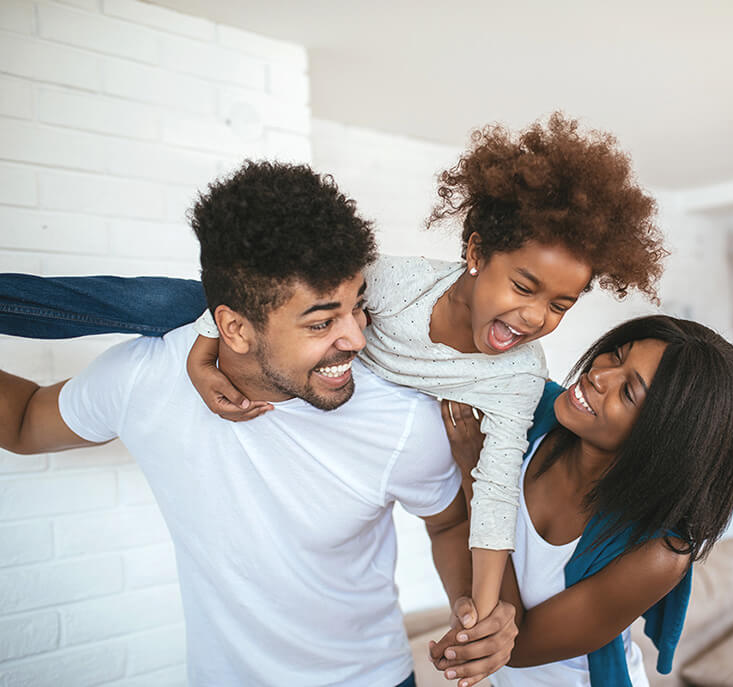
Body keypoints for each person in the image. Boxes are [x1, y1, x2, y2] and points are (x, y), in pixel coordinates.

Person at [0, 113, 666, 627]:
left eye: (559, 305)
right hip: (245, 335)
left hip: (357, 404)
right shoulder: (393, 284)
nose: (534, 316)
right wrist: (203, 348)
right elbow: (291, 298)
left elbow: (482, 505)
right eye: (524, 286)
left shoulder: (507, 379)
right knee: (164, 299)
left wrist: (482, 610)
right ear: (475, 252)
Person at [0, 161, 518, 687]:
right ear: (234, 329)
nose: (358, 339)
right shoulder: (146, 375)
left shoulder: (401, 416)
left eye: (357, 307)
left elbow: (447, 522)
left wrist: (471, 609)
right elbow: (22, 421)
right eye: (321, 322)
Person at [432, 315, 733, 686]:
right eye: (617, 355)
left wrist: (481, 473)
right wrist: (466, 605)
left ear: (664, 443)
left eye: (627, 392)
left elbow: (518, 649)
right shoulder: (526, 410)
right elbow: (449, 527)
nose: (599, 375)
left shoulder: (657, 552)